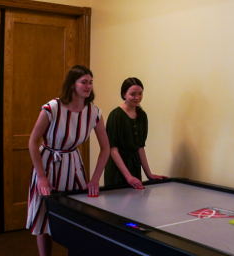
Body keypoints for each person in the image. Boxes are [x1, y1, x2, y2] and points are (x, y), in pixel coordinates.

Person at [26, 65, 111, 256]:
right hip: (47, 163)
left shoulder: (94, 113)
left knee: (76, 214)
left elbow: (106, 147)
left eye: (90, 82)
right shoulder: (52, 107)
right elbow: (32, 142)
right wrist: (41, 176)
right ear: (72, 84)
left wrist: (95, 178)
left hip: (73, 164)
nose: (88, 86)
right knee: (44, 214)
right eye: (83, 82)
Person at [103, 77, 166, 188]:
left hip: (135, 168)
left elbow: (140, 148)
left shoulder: (142, 116)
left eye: (140, 93)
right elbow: (113, 149)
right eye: (133, 94)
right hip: (117, 170)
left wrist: (149, 174)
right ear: (124, 95)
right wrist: (128, 176)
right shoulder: (115, 115)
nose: (137, 98)